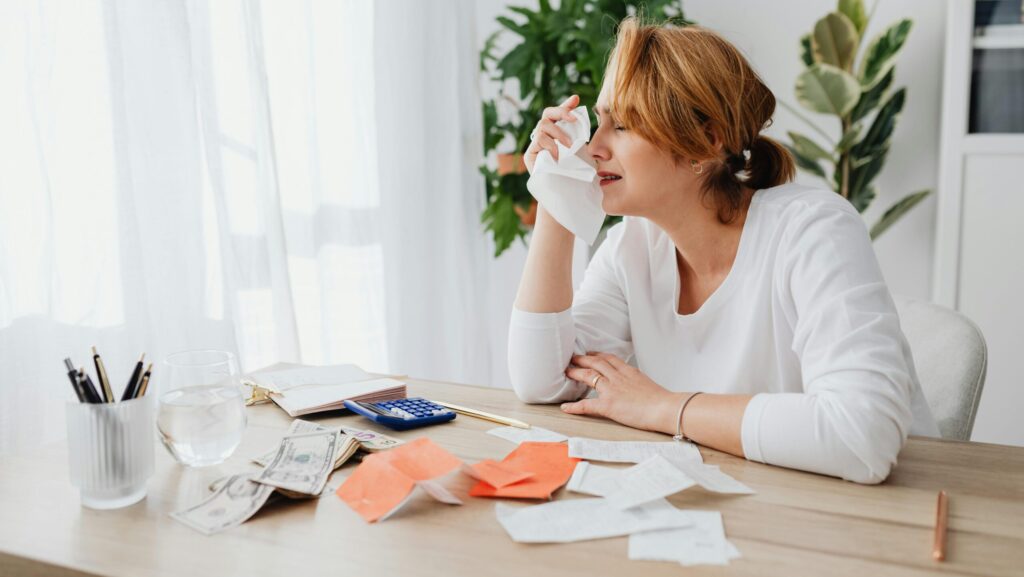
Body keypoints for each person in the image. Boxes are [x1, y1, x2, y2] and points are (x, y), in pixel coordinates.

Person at [508, 18, 939, 485]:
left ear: (706, 143)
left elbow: (863, 437)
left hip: (892, 521)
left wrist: (663, 407)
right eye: (601, 122)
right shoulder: (631, 248)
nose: (592, 148)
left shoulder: (814, 230)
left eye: (624, 126)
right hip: (757, 508)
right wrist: (555, 195)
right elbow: (544, 381)